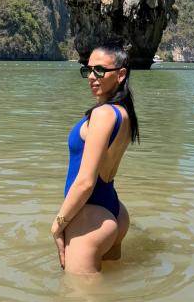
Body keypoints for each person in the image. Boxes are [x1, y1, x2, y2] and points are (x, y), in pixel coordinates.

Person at [51, 43, 140, 275]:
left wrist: (58, 224)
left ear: (121, 74)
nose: (92, 76)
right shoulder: (123, 113)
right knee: (109, 290)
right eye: (88, 70)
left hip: (91, 219)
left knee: (79, 296)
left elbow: (85, 182)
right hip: (114, 211)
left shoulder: (102, 114)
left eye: (100, 70)